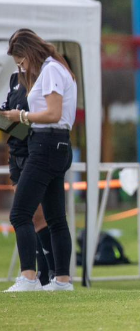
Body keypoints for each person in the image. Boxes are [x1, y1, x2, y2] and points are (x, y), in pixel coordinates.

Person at [3, 29, 77, 292]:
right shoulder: (52, 69)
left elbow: (54, 113)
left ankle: (29, 278)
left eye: (21, 61)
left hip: (47, 144)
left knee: (20, 214)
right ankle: (62, 281)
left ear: (29, 53)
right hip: (51, 144)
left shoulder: (51, 70)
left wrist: (20, 116)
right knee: (56, 217)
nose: (21, 68)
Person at [1, 61, 56, 286]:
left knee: (36, 216)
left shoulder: (44, 77)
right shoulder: (15, 79)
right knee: (27, 217)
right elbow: (6, 115)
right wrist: (11, 121)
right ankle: (39, 276)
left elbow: (44, 118)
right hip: (16, 153)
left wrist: (18, 120)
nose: (19, 62)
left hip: (36, 153)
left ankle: (51, 273)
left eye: (20, 56)